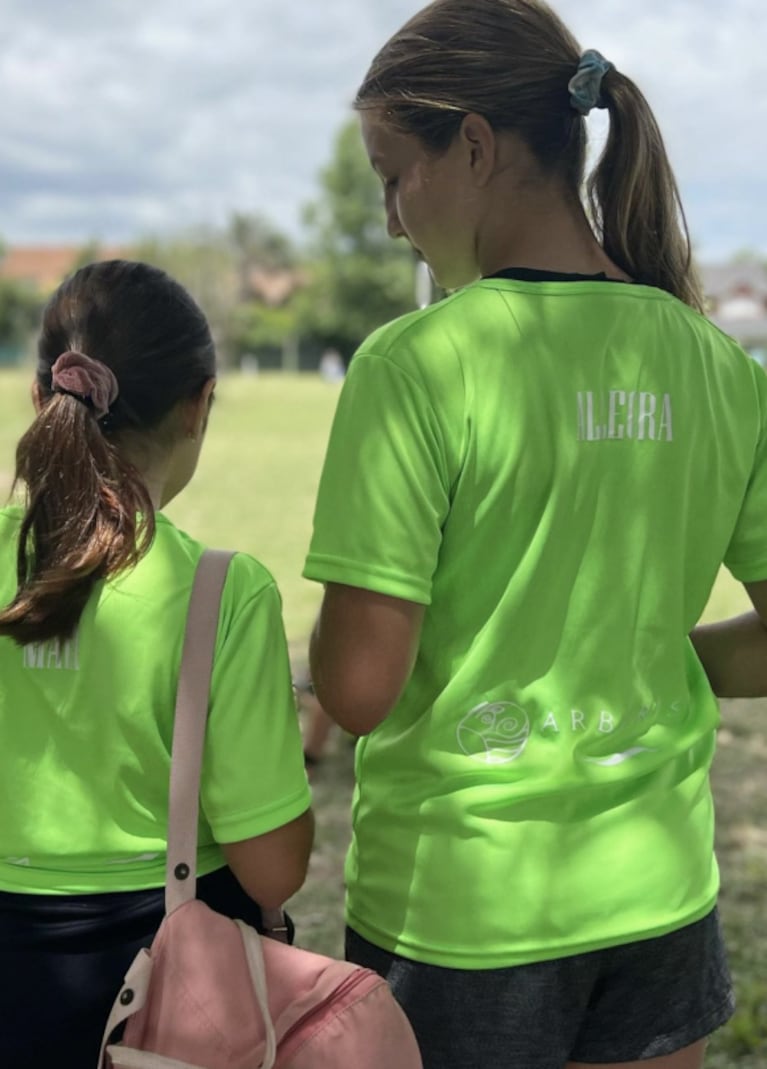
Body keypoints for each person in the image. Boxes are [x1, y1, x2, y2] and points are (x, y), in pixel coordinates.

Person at [302, 2, 767, 1067]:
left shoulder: (413, 364)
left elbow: (358, 689)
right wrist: (653, 665)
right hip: (657, 893)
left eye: (390, 174)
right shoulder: (714, 365)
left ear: (470, 145)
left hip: (460, 916)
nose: (386, 218)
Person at [0, 260, 313, 1069]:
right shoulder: (224, 593)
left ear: (41, 399)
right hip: (169, 1006)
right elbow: (273, 870)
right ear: (198, 405)